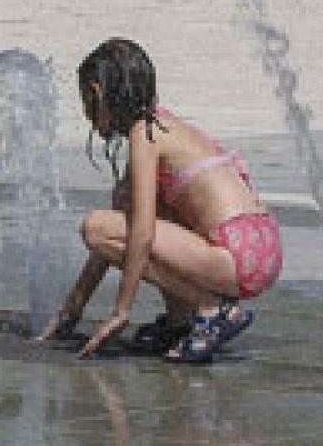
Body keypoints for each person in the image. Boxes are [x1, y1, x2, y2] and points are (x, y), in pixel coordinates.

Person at [36, 38, 282, 364]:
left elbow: (139, 232)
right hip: (258, 245)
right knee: (126, 220)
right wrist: (73, 309)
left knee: (96, 226)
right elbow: (115, 241)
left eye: (85, 103)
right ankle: (181, 324)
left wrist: (121, 311)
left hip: (234, 253)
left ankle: (212, 309)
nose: (86, 116)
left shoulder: (144, 135)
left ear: (97, 93)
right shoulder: (163, 125)